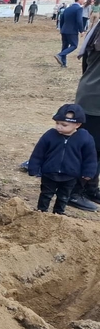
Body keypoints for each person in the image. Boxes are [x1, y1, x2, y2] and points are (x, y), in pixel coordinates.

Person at [27, 104, 97, 215]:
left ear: (77, 125)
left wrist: (88, 172)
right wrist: (33, 167)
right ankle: (41, 212)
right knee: (46, 194)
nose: (59, 127)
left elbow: (90, 157)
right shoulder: (50, 135)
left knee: (64, 196)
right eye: (57, 123)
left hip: (70, 175)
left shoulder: (85, 138)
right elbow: (38, 153)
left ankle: (58, 214)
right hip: (49, 173)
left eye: (64, 125)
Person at [69, 18, 100, 211]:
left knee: (97, 150)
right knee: (90, 150)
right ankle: (73, 192)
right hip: (95, 99)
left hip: (92, 93)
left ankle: (90, 188)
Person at [55, 0, 86, 68]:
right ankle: (60, 55)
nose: (84, 1)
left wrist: (61, 29)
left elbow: (62, 19)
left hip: (64, 30)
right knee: (74, 45)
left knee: (65, 46)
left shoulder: (67, 8)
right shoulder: (79, 9)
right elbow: (79, 20)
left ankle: (63, 63)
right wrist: (81, 30)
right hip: (72, 31)